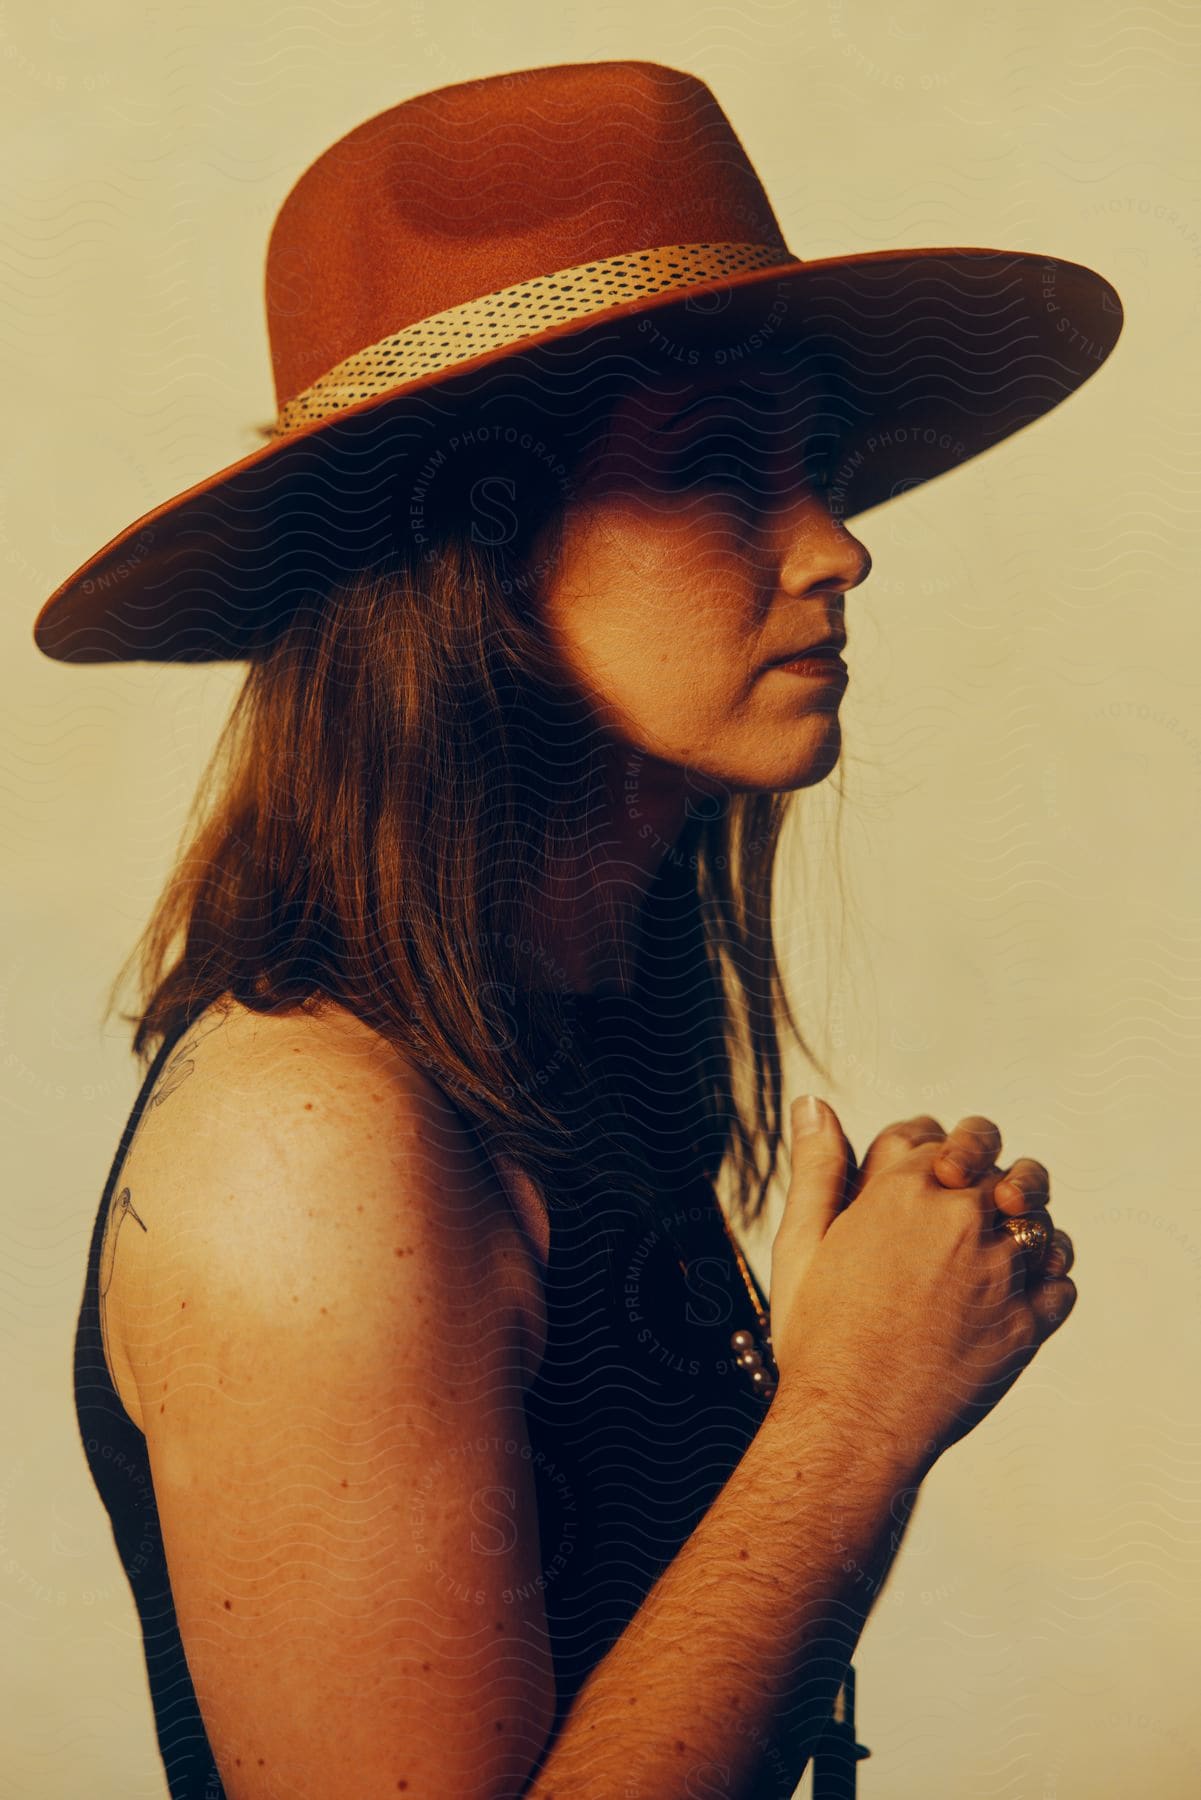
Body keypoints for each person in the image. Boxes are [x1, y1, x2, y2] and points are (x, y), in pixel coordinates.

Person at [41, 60, 1120, 1800]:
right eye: (710, 471)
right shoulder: (315, 1146)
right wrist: (851, 1422)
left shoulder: (577, 1035)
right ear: (469, 555)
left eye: (820, 465)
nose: (837, 546)